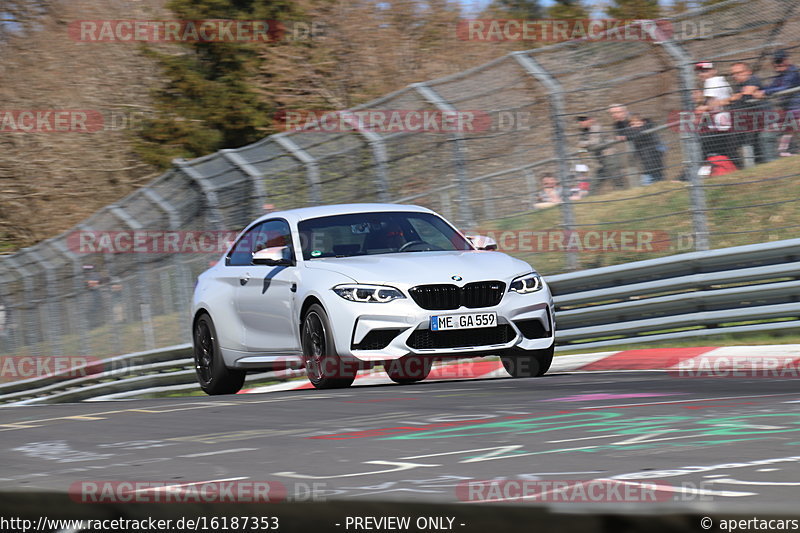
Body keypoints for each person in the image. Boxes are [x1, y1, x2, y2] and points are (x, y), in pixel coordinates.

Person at [725, 62, 776, 163]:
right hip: (749, 123)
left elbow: (746, 95)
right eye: (734, 74)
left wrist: (736, 97)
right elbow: (731, 100)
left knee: (757, 147)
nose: (736, 76)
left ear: (749, 72)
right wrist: (735, 97)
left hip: (762, 120)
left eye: (739, 72)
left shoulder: (753, 79)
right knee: (737, 144)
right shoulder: (739, 86)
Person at [695, 62, 738, 165]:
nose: (702, 74)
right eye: (700, 72)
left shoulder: (711, 82)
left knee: (701, 150)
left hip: (718, 126)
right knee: (728, 153)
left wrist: (702, 108)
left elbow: (712, 105)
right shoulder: (723, 81)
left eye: (705, 71)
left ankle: (688, 176)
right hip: (726, 124)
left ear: (714, 71)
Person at [761, 50, 800, 156]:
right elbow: (772, 86)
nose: (777, 65)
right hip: (789, 111)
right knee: (789, 131)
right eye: (775, 62)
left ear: (786, 60)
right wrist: (759, 90)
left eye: (779, 61)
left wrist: (765, 92)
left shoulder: (793, 72)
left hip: (796, 109)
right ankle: (785, 152)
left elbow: (785, 87)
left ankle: (785, 151)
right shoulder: (780, 75)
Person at [576, 116, 617, 192]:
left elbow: (595, 142)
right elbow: (581, 145)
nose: (580, 123)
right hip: (601, 159)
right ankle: (590, 197)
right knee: (597, 179)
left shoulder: (596, 127)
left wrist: (583, 144)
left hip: (609, 156)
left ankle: (623, 193)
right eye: (579, 121)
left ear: (590, 120)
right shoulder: (584, 131)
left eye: (583, 120)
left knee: (616, 177)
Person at [623, 115, 665, 184]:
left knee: (652, 182)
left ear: (643, 122)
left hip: (653, 164)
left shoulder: (647, 130)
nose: (636, 126)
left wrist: (628, 133)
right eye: (632, 124)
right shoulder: (634, 132)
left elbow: (638, 133)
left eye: (638, 123)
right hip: (645, 164)